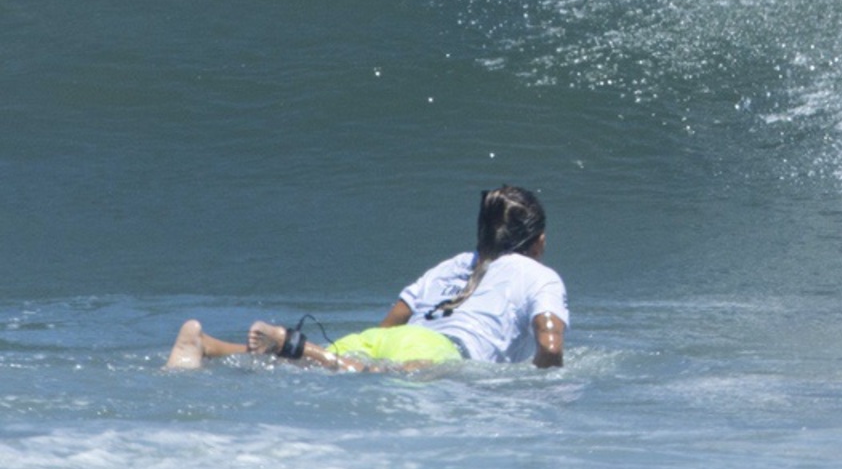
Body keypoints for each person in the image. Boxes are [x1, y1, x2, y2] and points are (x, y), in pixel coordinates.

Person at [165, 185, 567, 371]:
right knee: (368, 372)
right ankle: (296, 345)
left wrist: (387, 344)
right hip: (442, 348)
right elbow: (549, 346)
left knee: (329, 363)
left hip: (385, 337)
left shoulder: (459, 263)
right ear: (540, 240)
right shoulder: (539, 276)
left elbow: (393, 319)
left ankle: (207, 345)